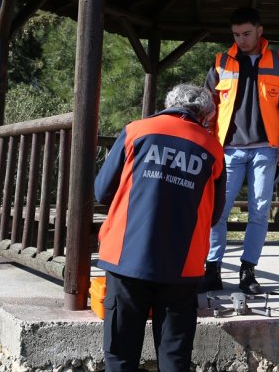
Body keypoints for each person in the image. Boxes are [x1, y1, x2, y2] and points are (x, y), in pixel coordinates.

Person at [94, 84, 226, 372]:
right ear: (205, 116)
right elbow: (216, 214)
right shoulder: (212, 148)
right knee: (174, 359)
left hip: (127, 258)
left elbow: (102, 190)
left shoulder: (136, 130)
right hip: (182, 266)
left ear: (169, 103)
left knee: (119, 355)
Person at [203, 7, 279, 294]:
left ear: (260, 31)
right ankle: (213, 269)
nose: (241, 39)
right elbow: (207, 105)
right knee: (217, 211)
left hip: (266, 150)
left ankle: (248, 271)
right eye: (236, 34)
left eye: (246, 33)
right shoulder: (221, 62)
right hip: (228, 150)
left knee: (259, 212)